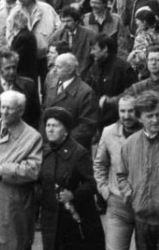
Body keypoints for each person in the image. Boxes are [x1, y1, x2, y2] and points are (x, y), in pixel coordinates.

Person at [0, 90, 42, 250]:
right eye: (2, 107)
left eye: (10, 108)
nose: (4, 112)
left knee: (14, 244)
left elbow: (33, 170)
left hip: (13, 205)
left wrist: (5, 170)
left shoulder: (32, 137)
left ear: (21, 111)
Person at [39, 107, 104, 250]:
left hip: (74, 218)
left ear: (66, 130)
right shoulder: (44, 152)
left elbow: (93, 182)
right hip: (50, 219)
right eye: (48, 125)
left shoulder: (79, 153)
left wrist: (74, 194)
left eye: (55, 126)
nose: (50, 130)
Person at [117, 91, 159, 250]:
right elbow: (121, 175)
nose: (155, 120)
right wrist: (129, 194)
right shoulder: (130, 144)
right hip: (142, 222)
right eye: (149, 116)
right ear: (140, 118)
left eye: (158, 114)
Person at [93, 94, 141, 250]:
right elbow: (100, 164)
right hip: (117, 205)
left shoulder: (148, 132)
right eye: (122, 111)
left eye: (131, 111)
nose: (126, 116)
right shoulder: (108, 132)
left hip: (144, 205)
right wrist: (105, 192)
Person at [106, 46, 159, 127]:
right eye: (150, 60)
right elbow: (122, 98)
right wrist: (107, 101)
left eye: (157, 60)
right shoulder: (139, 87)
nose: (153, 63)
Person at [43, 53, 99, 148]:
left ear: (70, 69)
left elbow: (87, 126)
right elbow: (44, 113)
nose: (54, 70)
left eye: (59, 67)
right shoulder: (51, 85)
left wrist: (62, 139)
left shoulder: (86, 92)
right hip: (49, 146)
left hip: (72, 148)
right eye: (54, 66)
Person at [82, 34, 137, 131]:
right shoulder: (94, 67)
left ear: (105, 49)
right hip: (98, 120)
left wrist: (111, 101)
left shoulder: (123, 68)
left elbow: (133, 93)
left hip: (119, 120)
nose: (91, 52)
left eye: (94, 49)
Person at [0, 50, 41, 130]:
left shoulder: (28, 86)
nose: (12, 71)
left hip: (22, 134)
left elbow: (36, 115)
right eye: (7, 68)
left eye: (14, 67)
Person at [49, 6, 97, 74]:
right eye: (63, 21)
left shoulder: (89, 34)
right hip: (64, 72)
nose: (65, 24)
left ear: (76, 21)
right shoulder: (57, 35)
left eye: (68, 21)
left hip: (85, 71)